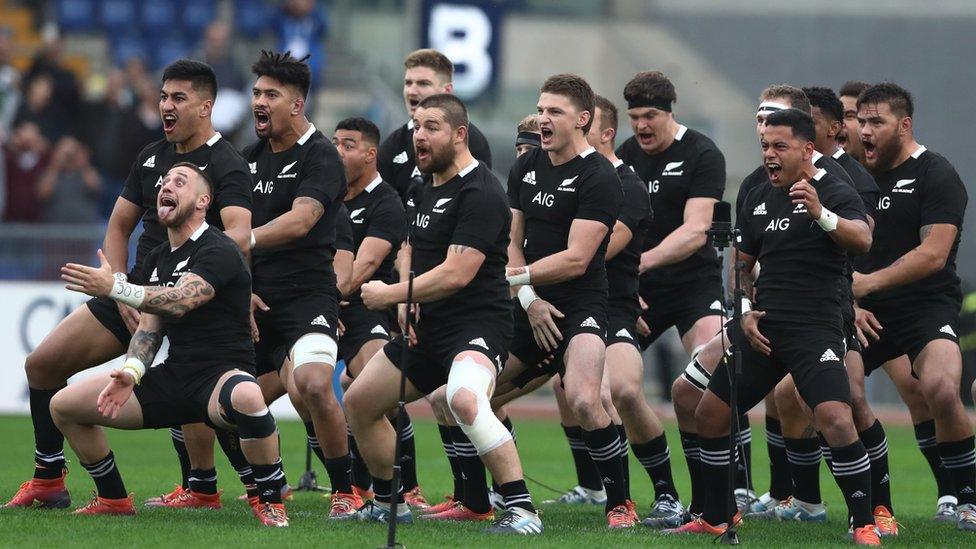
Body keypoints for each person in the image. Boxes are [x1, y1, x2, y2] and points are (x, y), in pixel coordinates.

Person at [4, 59, 252, 511]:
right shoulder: (151, 156)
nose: (166, 105)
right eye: (163, 96)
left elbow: (238, 236)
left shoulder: (228, 163)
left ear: (205, 106)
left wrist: (209, 286)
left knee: (205, 398)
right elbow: (118, 227)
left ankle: (227, 489)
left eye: (179, 97)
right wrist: (119, 289)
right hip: (135, 291)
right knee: (42, 365)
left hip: (192, 304)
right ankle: (51, 479)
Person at [669, 108, 879, 546]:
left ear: (807, 149)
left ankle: (863, 523)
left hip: (816, 327)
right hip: (764, 328)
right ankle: (716, 515)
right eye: (765, 145)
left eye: (779, 146)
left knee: (835, 418)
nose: (769, 154)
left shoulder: (835, 188)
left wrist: (821, 213)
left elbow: (862, 239)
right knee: (709, 413)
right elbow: (740, 266)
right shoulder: (759, 195)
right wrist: (744, 309)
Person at [344, 93, 543, 534]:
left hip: (477, 327)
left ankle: (522, 509)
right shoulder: (422, 185)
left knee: (464, 399)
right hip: (427, 330)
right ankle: (389, 503)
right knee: (358, 401)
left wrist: (393, 293)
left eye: (431, 126)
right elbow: (412, 246)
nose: (419, 135)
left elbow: (457, 272)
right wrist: (410, 295)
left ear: (459, 134)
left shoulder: (482, 190)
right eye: (416, 125)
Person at [53, 163, 287, 527]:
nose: (167, 185)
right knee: (64, 405)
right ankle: (113, 498)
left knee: (248, 396)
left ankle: (270, 499)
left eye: (180, 181)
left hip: (221, 376)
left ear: (202, 201)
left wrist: (114, 287)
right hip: (177, 377)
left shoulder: (219, 246)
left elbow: (180, 299)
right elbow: (149, 329)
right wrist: (131, 372)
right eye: (164, 182)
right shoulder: (157, 257)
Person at [499, 74, 633, 528]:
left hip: (581, 306)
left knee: (583, 397)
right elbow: (513, 241)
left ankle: (620, 504)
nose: (542, 119)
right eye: (540, 109)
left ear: (582, 119)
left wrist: (519, 278)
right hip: (530, 304)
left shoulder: (600, 177)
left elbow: (578, 259)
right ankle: (486, 500)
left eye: (554, 111)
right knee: (458, 397)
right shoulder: (526, 165)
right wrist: (528, 297)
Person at [853, 83, 976, 532]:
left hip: (925, 305)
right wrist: (851, 296)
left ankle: (965, 498)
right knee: (814, 395)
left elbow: (933, 254)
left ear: (904, 125)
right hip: (864, 312)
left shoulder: (935, 173)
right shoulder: (850, 175)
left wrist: (866, 282)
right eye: (861, 121)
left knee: (942, 389)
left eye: (876, 122)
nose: (865, 131)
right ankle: (822, 501)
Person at [243, 50, 356, 518]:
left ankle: (347, 492)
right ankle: (245, 487)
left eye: (271, 94)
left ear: (297, 103)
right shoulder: (246, 159)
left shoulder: (322, 156)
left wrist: (241, 239)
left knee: (311, 384)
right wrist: (240, 288)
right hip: (254, 300)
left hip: (308, 296)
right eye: (255, 93)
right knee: (217, 395)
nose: (258, 102)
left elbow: (301, 221)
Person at [614, 70, 729, 523]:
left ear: (669, 113)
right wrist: (627, 285)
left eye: (650, 116)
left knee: (713, 371)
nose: (641, 126)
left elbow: (696, 229)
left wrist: (638, 264)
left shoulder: (702, 152)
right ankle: (615, 492)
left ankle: (728, 490)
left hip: (692, 285)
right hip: (639, 292)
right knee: (584, 381)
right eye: (635, 117)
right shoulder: (625, 156)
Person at [331, 117, 418, 505]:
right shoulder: (325, 197)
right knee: (308, 391)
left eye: (347, 145)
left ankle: (407, 488)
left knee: (372, 389)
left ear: (370, 154)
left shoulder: (387, 204)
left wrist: (326, 302)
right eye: (334, 143)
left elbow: (362, 270)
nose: (337, 152)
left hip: (366, 310)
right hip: (319, 307)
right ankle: (349, 485)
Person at [377, 49, 492, 204]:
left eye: (423, 83)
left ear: (447, 91)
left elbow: (478, 203)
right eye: (408, 83)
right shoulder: (393, 144)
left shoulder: (470, 140)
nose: (412, 90)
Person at [38, 137, 103, 223]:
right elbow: (43, 193)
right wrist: (56, 163)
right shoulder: (52, 173)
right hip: (55, 231)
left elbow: (96, 187)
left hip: (85, 231)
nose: (69, 156)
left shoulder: (86, 173)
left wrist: (82, 162)